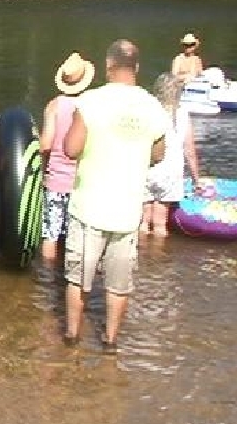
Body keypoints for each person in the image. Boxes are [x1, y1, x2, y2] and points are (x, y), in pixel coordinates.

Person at [63, 39, 169, 354]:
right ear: (137, 67)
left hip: (89, 207)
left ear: (108, 65)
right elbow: (158, 154)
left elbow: (71, 149)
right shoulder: (152, 106)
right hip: (127, 211)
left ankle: (72, 340)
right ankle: (110, 343)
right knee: (118, 286)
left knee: (78, 280)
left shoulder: (91, 101)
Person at [39, 52, 94, 266]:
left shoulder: (54, 105)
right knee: (78, 236)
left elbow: (46, 145)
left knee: (51, 234)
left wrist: (43, 169)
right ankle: (73, 276)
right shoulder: (90, 106)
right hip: (81, 182)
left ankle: (46, 276)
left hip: (55, 180)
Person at [140, 73, 200, 238]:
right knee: (160, 224)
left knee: (143, 222)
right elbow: (190, 151)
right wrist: (196, 180)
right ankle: (159, 253)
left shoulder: (148, 111)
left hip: (147, 169)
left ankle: (143, 252)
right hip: (170, 173)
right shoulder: (182, 113)